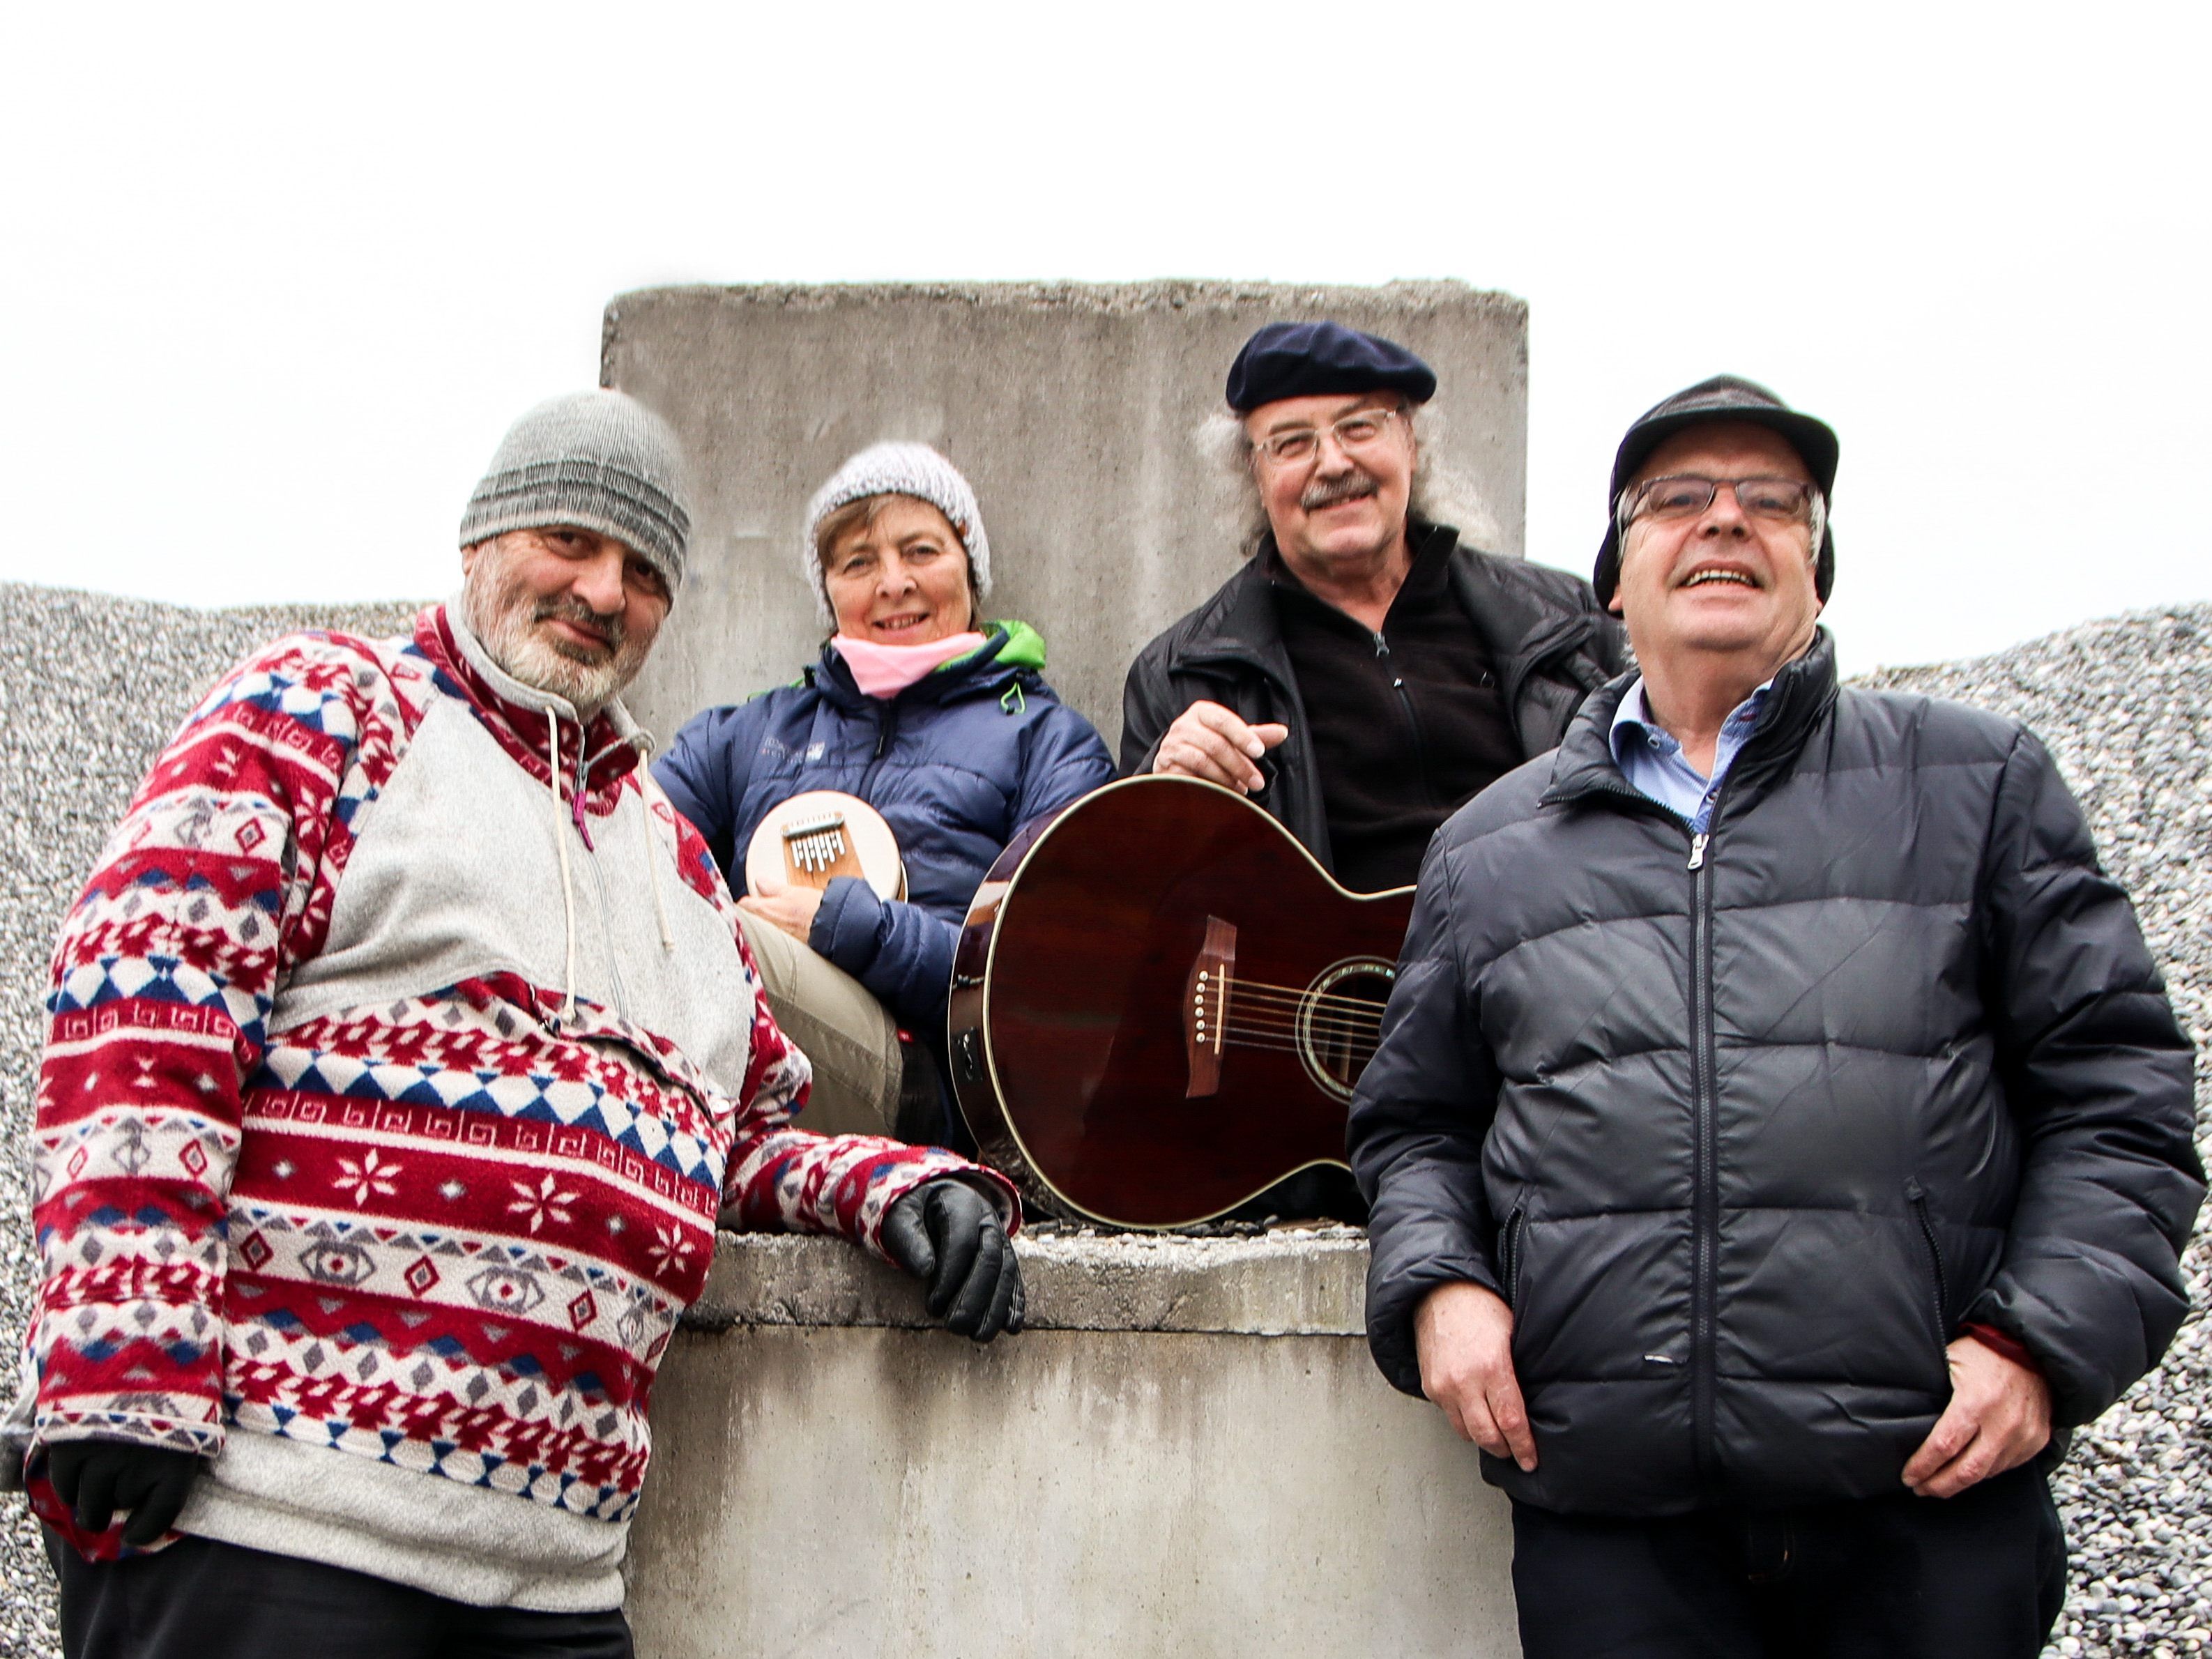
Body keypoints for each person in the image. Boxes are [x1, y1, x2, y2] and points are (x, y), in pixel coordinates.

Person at [8, 392, 1025, 1659]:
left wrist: (890, 1183)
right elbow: (142, 996)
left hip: (551, 1580)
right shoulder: (330, 709)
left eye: (645, 571)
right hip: (278, 1527)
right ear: (482, 538)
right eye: (573, 540)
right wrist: (122, 1350)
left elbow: (742, 1133)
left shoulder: (675, 864)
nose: (604, 590)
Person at [1350, 374, 2203, 1658]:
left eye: (1772, 503)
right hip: (1615, 1514)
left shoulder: (1974, 784)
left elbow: (2118, 1102)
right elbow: (1414, 1124)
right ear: (1615, 578)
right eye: (1676, 500)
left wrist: (2036, 1346)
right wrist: (1440, 1289)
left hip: (1924, 1497)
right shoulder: (1489, 847)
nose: (1725, 523)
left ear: (1816, 568)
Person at [653, 442, 1115, 1149]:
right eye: (858, 562)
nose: (892, 582)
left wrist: (849, 927)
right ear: (829, 590)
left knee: (731, 947)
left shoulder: (1047, 740)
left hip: (922, 1082)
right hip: (736, 1059)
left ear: (970, 568)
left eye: (921, 551)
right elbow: (620, 842)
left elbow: (1052, 983)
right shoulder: (747, 733)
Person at [1120, 319, 1626, 897]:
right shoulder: (1180, 675)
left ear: (1410, 444)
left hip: (1543, 964)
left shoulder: (1567, 621)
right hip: (1339, 987)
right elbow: (1139, 909)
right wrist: (1160, 798)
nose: (1332, 463)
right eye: (1290, 443)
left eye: (1358, 427)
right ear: (1254, 478)